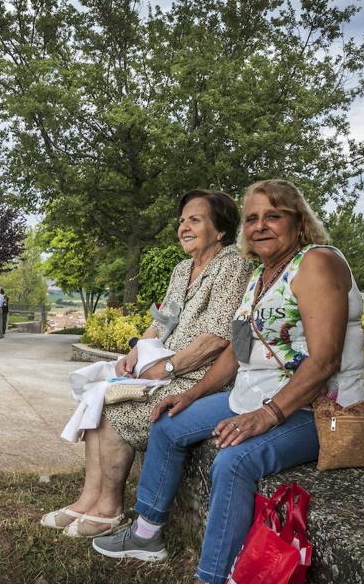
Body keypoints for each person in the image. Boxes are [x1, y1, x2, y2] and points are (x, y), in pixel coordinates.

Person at [92, 179, 364, 584]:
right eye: (252, 218)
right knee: (166, 422)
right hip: (252, 398)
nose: (260, 226)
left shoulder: (317, 262)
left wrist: (267, 415)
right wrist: (191, 393)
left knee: (233, 462)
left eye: (274, 215)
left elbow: (324, 363)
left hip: (315, 409)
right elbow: (237, 355)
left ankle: (213, 576)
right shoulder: (260, 276)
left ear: (299, 221)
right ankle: (147, 535)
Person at [40, 190, 253, 538]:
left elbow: (217, 338)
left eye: (195, 220)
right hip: (161, 372)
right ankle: (87, 500)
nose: (184, 227)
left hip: (199, 378)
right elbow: (163, 320)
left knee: (117, 415)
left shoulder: (232, 264)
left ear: (221, 230)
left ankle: (109, 510)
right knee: (99, 399)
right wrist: (136, 350)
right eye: (182, 220)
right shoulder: (183, 268)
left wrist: (168, 369)